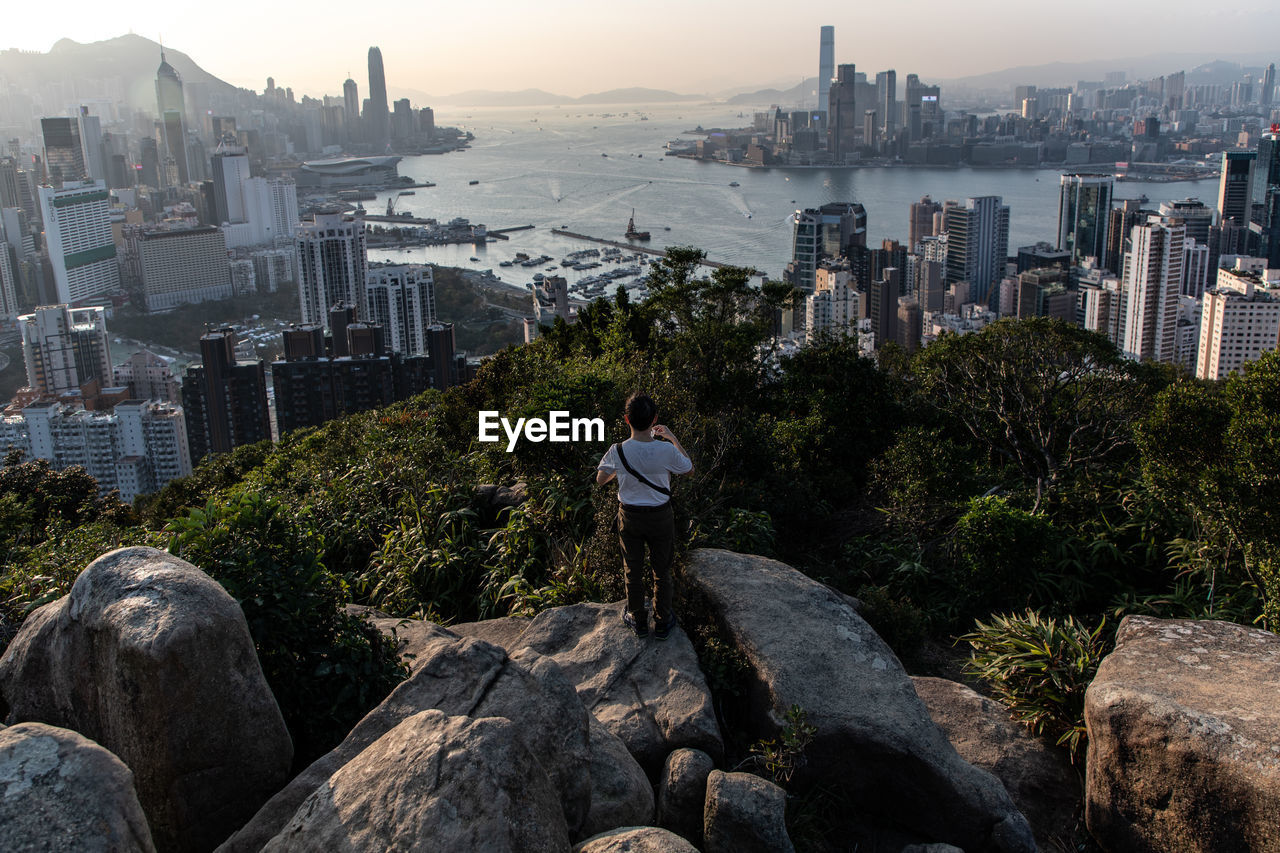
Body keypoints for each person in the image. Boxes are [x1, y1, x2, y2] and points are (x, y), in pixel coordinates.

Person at [595, 392, 692, 640]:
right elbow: (688, 468)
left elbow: (600, 479)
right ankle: (662, 622)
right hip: (660, 516)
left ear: (626, 419)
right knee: (662, 570)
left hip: (630, 517)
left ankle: (638, 620)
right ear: (655, 419)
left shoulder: (617, 450)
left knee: (633, 570)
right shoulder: (665, 450)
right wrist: (671, 437)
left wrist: (620, 472)